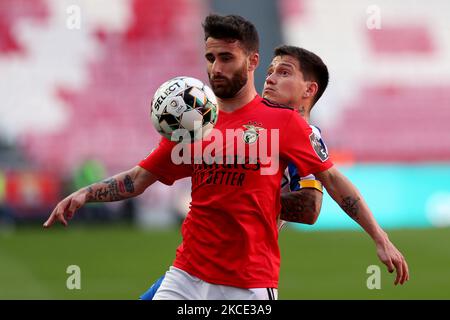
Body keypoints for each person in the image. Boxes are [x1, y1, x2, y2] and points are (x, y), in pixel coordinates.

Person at [44, 14, 408, 300]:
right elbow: (139, 178)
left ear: (251, 61)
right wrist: (86, 194)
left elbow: (331, 181)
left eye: (226, 58)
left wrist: (379, 236)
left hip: (247, 284)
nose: (215, 68)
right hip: (186, 275)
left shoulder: (286, 124)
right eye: (210, 57)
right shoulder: (194, 121)